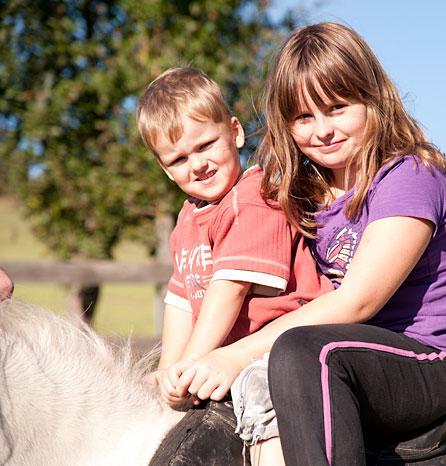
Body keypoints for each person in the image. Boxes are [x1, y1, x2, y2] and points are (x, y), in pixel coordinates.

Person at [174, 22, 446, 466]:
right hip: (351, 351)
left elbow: (356, 303)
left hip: (431, 356)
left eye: (337, 108)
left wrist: (232, 356)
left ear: (372, 100)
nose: (321, 130)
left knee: (303, 353)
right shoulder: (304, 193)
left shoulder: (408, 179)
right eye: (303, 117)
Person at [136, 67, 333, 464]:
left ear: (236, 132)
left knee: (264, 400)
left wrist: (190, 365)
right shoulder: (189, 217)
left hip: (280, 348)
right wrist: (169, 371)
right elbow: (181, 299)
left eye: (206, 145)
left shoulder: (254, 198)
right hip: (228, 359)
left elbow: (229, 290)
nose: (198, 165)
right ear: (164, 168)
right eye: (178, 159)